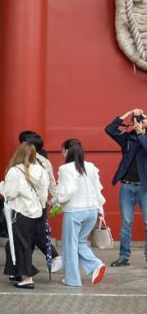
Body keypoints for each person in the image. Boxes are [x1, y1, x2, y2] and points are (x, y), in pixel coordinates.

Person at [57, 138, 107, 287]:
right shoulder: (91, 167)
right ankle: (95, 265)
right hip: (92, 210)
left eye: (62, 150)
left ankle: (73, 279)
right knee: (80, 242)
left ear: (67, 151)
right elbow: (98, 189)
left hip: (74, 211)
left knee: (70, 245)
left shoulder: (65, 169)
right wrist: (100, 210)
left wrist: (54, 201)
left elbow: (66, 193)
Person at [0, 142, 49, 289]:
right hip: (36, 212)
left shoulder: (15, 171)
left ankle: (27, 278)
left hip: (20, 212)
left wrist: (2, 185)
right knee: (22, 245)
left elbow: (10, 193)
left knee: (21, 246)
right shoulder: (40, 169)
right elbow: (43, 192)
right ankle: (16, 272)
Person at [105, 109, 147, 267]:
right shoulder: (128, 138)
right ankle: (123, 257)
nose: (139, 121)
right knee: (126, 223)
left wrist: (142, 133)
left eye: (142, 119)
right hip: (127, 187)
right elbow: (109, 129)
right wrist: (128, 114)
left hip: (145, 188)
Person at [19, 131, 61, 273]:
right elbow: (52, 182)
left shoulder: (23, 160)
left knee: (33, 234)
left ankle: (54, 257)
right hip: (41, 204)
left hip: (26, 204)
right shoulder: (46, 161)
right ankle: (24, 268)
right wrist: (55, 200)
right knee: (32, 235)